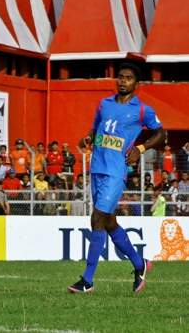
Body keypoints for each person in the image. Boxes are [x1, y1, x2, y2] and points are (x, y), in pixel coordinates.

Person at [68, 63, 166, 294]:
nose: (123, 81)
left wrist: (140, 149)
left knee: (97, 219)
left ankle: (87, 280)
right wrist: (88, 138)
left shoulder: (142, 110)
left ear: (136, 84)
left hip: (115, 171)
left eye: (128, 78)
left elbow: (162, 134)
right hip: (97, 168)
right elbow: (95, 129)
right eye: (120, 77)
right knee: (109, 222)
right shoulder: (104, 104)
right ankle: (139, 264)